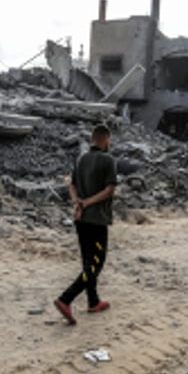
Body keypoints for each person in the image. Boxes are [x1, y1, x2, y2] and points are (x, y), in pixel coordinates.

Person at [54, 124, 117, 325]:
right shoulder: (108, 160)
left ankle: (93, 301)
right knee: (96, 264)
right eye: (110, 140)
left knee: (88, 261)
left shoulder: (81, 159)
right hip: (97, 220)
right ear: (105, 139)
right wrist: (88, 203)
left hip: (81, 219)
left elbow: (71, 184)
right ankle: (66, 299)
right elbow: (109, 190)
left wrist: (77, 203)